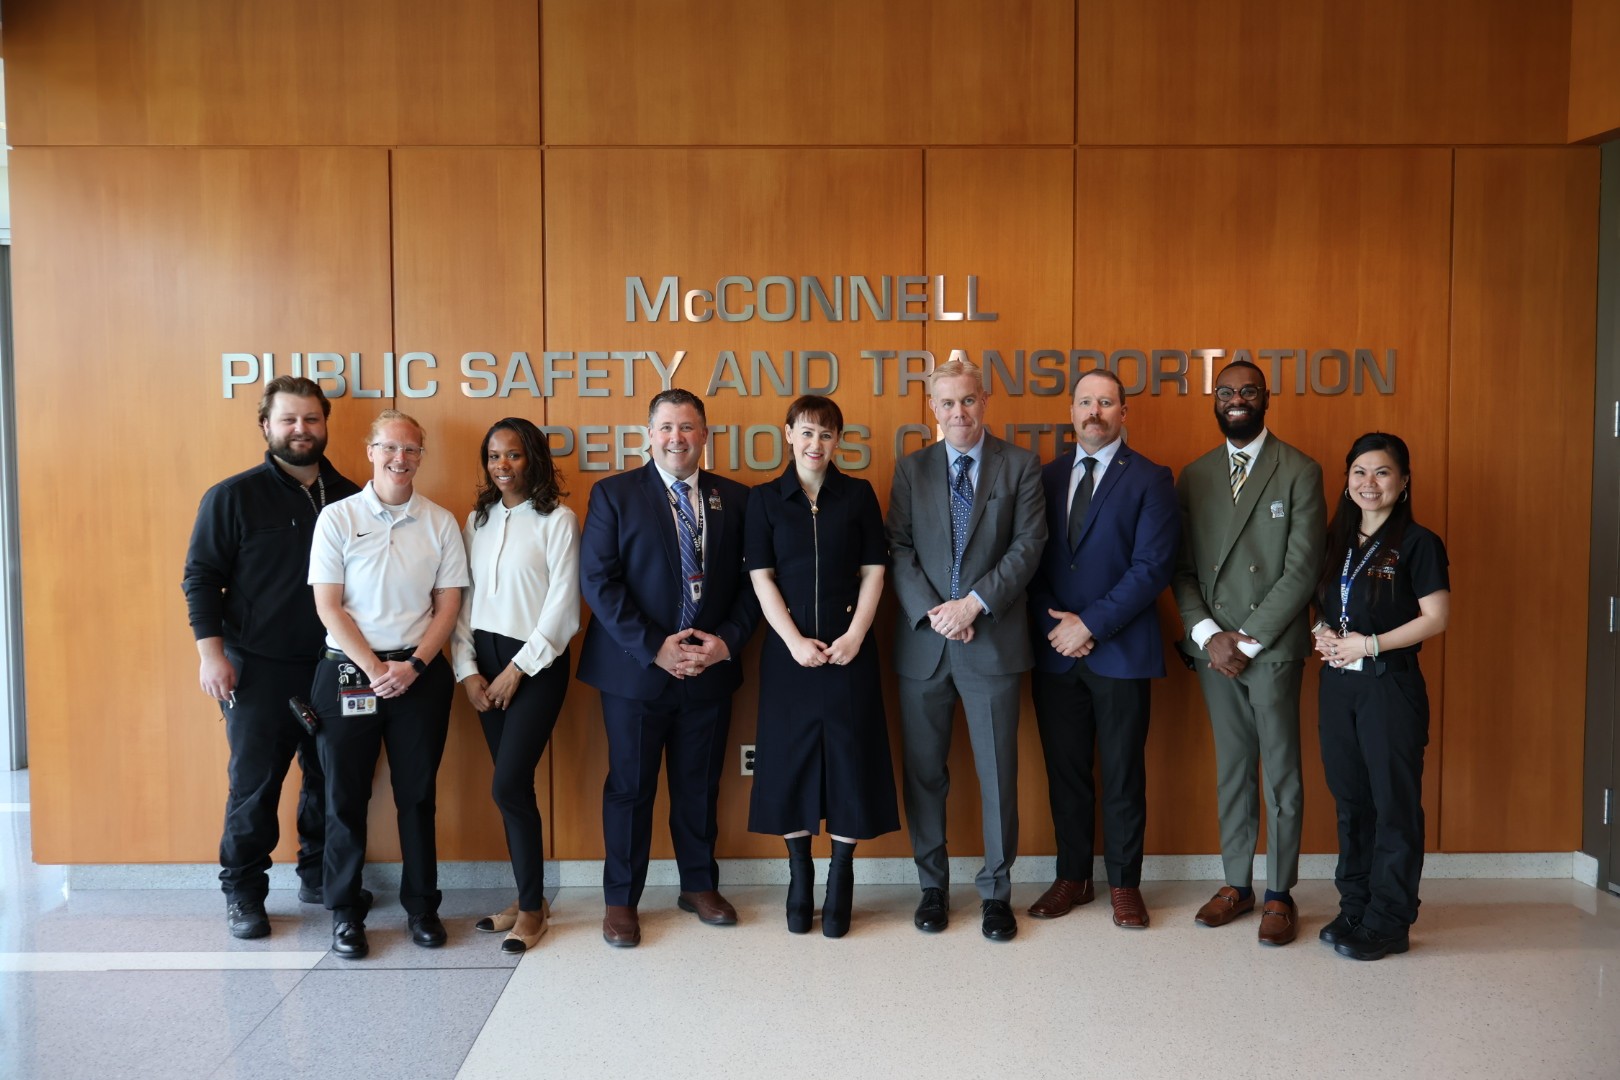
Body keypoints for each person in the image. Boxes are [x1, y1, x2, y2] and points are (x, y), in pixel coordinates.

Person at [577, 388, 760, 948]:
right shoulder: (613, 495)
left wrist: (725, 643)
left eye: (688, 427)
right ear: (648, 435)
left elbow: (757, 585)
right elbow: (599, 584)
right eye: (666, 427)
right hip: (636, 673)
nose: (676, 438)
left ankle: (699, 886)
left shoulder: (738, 498)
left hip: (709, 669)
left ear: (705, 436)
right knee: (630, 789)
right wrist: (656, 647)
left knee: (699, 785)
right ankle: (621, 901)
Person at [182, 376, 361, 939]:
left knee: (332, 781)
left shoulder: (355, 496)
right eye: (289, 420)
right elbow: (201, 579)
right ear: (266, 426)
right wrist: (212, 656)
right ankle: (243, 893)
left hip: (334, 664)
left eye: (311, 419)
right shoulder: (232, 496)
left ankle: (317, 876)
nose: (301, 430)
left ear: (326, 424)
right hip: (257, 667)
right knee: (255, 785)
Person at [886, 359, 1046, 942]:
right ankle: (932, 888)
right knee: (925, 774)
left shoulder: (1021, 465)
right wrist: (939, 612)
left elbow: (1028, 546)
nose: (960, 413)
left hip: (992, 643)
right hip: (925, 645)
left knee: (998, 774)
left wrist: (972, 605)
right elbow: (898, 548)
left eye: (970, 401)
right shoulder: (911, 470)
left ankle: (996, 892)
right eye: (948, 403)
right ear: (933, 409)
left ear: (986, 401)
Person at [1172, 359, 1324, 946]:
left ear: (1266, 398)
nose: (1236, 399)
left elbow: (1301, 568)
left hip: (1272, 648)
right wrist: (1210, 635)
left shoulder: (1299, 470)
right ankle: (1236, 884)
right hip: (1215, 650)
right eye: (1226, 391)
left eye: (1247, 391)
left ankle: (1281, 893)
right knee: (1233, 771)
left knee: (1281, 774)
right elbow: (1182, 571)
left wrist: (1247, 638)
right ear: (1215, 400)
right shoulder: (1195, 475)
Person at [307, 409, 469, 959]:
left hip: (419, 675)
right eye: (390, 448)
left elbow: (449, 606)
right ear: (371, 451)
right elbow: (328, 606)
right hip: (351, 674)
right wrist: (377, 670)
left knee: (417, 797)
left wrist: (414, 666)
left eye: (412, 450)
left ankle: (423, 908)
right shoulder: (337, 517)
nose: (401, 459)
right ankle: (346, 913)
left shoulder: (440, 522)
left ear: (422, 456)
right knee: (344, 797)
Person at [1027, 370, 1178, 929]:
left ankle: (1124, 883)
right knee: (1065, 772)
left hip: (1120, 651)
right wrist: (1058, 626)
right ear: (1071, 412)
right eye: (1086, 402)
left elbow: (1152, 567)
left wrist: (1089, 624)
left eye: (1106, 402)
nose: (1095, 411)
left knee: (1122, 773)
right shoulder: (1043, 477)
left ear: (1123, 412)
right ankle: (1073, 877)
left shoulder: (1150, 478)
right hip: (1054, 651)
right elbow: (1030, 560)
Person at [746, 395, 899, 938]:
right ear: (788, 434)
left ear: (838, 442)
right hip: (790, 658)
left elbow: (874, 571)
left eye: (827, 435)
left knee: (851, 763)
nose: (816, 445)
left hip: (848, 654)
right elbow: (761, 578)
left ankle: (841, 877)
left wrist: (855, 635)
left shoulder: (857, 495)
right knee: (789, 762)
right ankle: (799, 874)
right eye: (807, 433)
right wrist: (792, 642)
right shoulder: (764, 500)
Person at [1311, 432, 1449, 962]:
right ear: (1347, 483)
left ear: (1404, 482)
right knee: (1351, 801)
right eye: (1360, 473)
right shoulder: (1336, 541)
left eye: (1383, 472)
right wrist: (1322, 631)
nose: (1370, 483)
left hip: (1390, 685)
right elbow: (1325, 604)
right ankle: (1356, 906)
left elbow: (1435, 618)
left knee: (1393, 804)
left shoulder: (1418, 542)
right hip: (1339, 687)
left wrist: (1368, 643)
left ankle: (1390, 921)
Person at [451, 418, 580, 953]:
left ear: (534, 459)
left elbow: (564, 607)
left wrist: (516, 670)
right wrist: (467, 670)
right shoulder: (476, 518)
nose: (502, 466)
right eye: (493, 456)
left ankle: (532, 910)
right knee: (514, 792)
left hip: (536, 663)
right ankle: (530, 898)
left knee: (507, 785)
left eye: (514, 455)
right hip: (484, 660)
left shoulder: (558, 519)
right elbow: (462, 598)